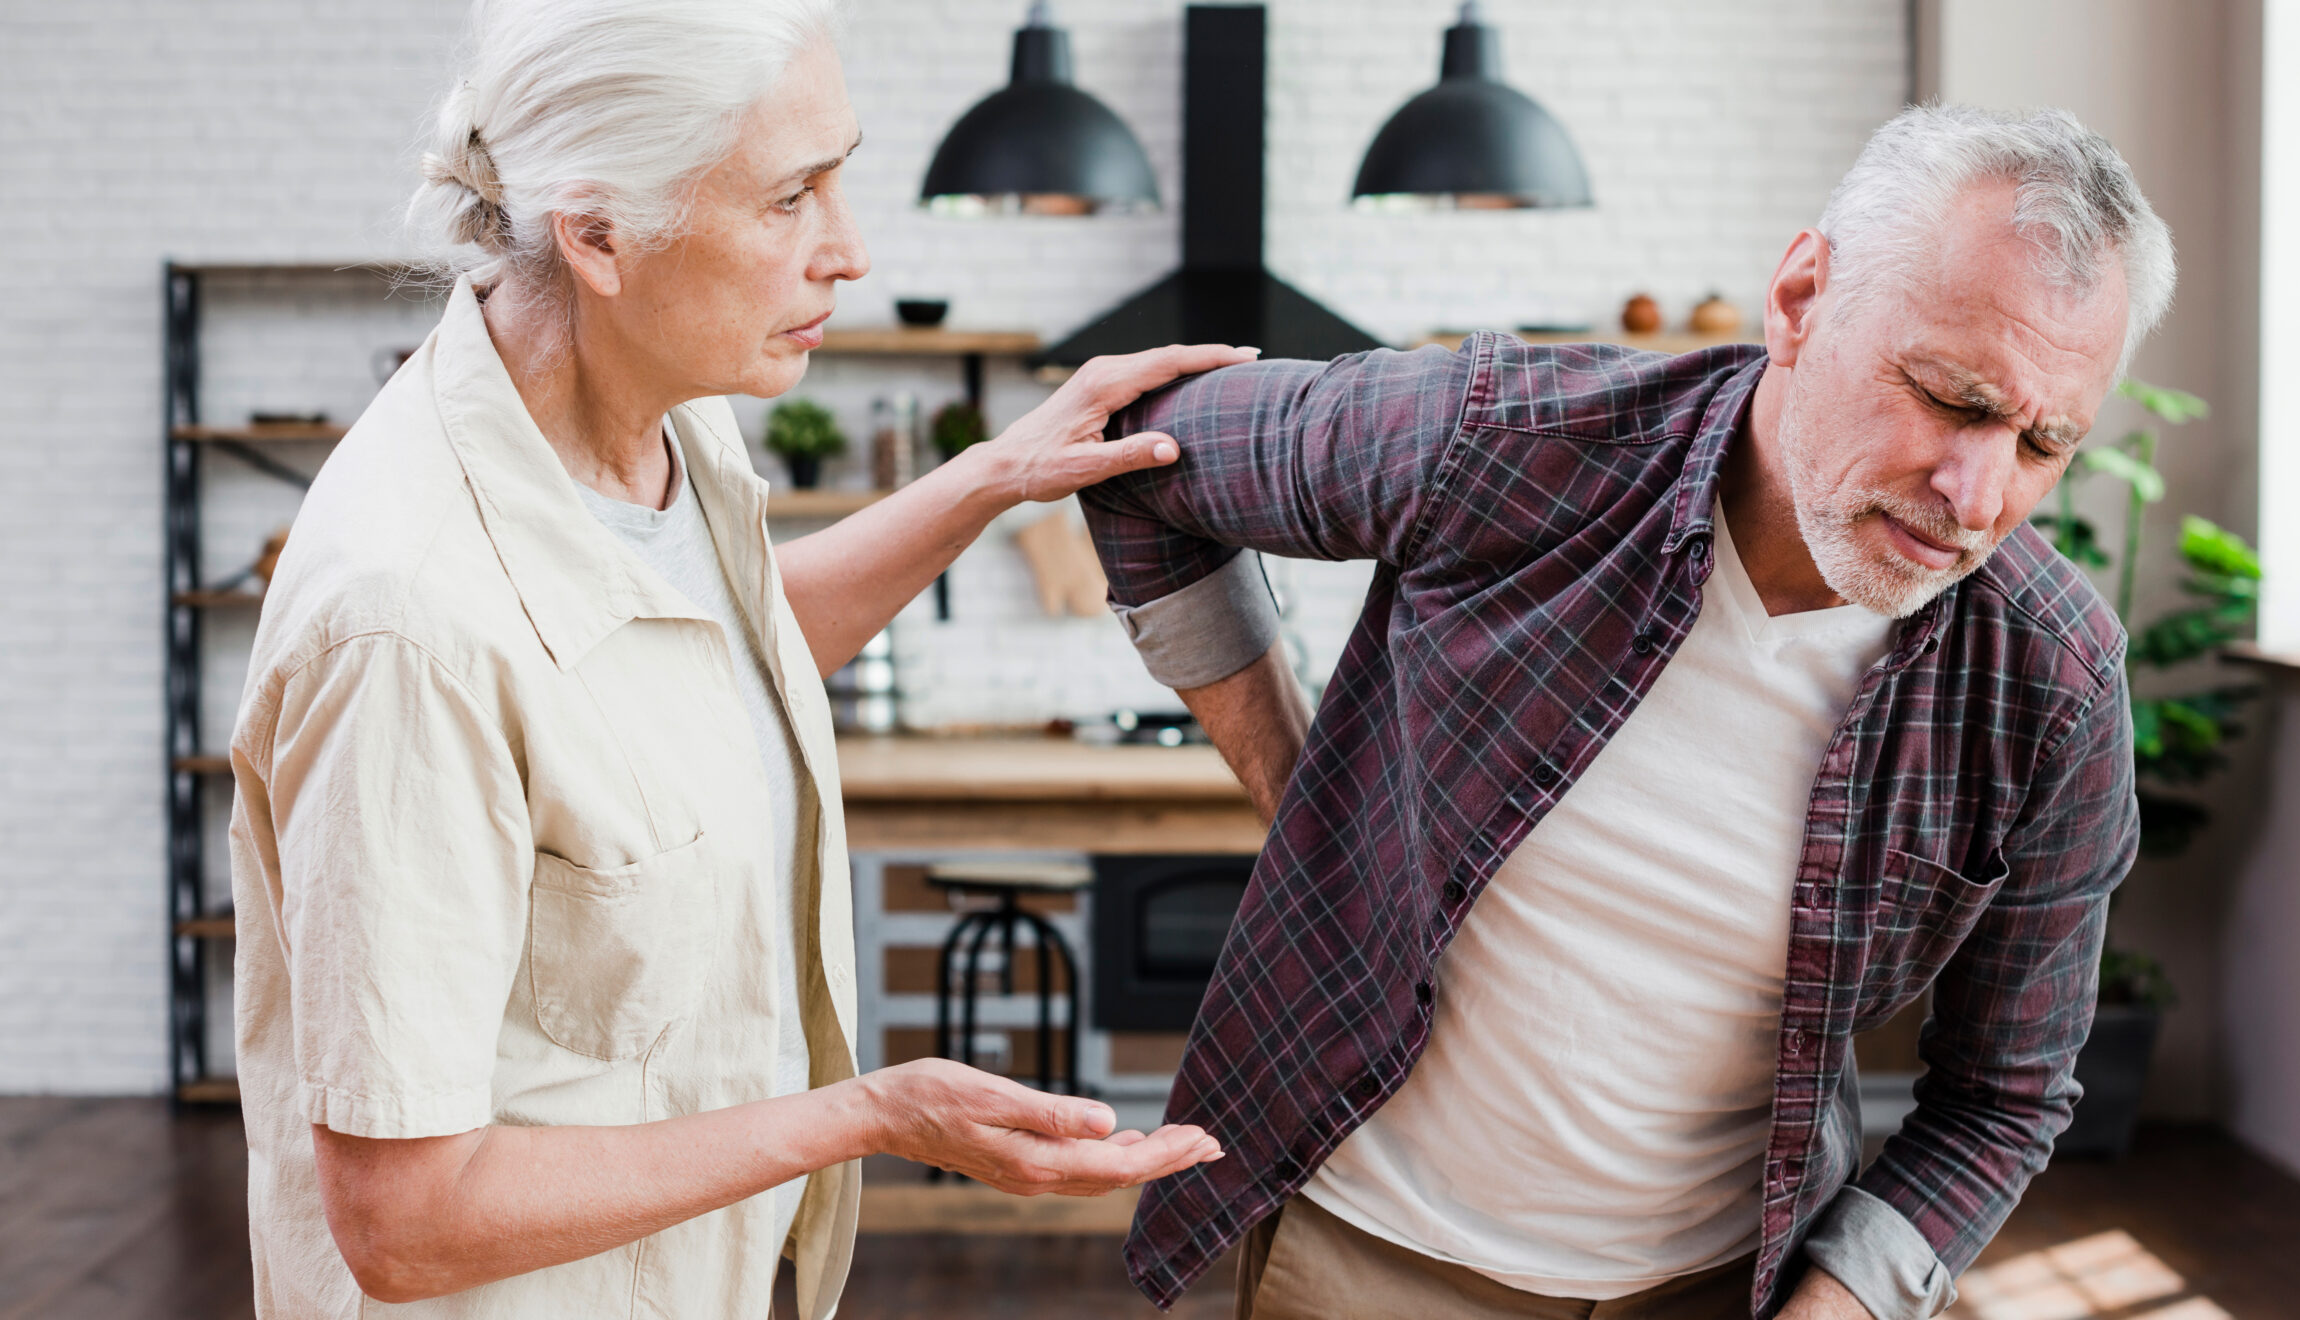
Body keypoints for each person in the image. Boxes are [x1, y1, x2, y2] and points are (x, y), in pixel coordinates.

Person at [226, 3, 1239, 1317]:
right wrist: (873, 1114)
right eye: (788, 200)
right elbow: (405, 1223)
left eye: (841, 175)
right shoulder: (406, 626)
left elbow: (714, 655)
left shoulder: (665, 423)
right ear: (596, 235)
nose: (851, 251)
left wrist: (991, 477)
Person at [1077, 104, 2172, 1320]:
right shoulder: (1507, 441)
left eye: (2042, 442)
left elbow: (2002, 1099)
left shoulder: (2051, 682)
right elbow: (1135, 455)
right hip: (1366, 1256)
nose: (1975, 496)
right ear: (1802, 299)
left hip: (1718, 1288)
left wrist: (1841, 1306)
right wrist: (1300, 800)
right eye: (1949, 399)